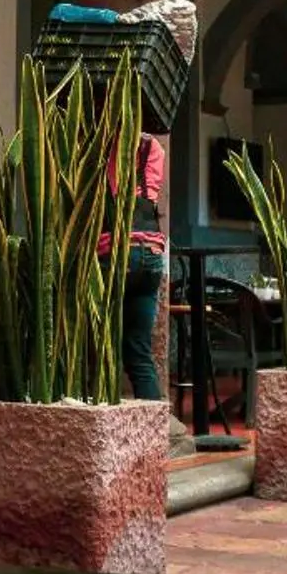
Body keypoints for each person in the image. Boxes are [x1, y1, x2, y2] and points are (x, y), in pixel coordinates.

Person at [119, 130, 170, 400]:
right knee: (139, 350)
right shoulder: (154, 147)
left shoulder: (105, 143)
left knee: (99, 347)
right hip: (151, 254)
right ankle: (156, 428)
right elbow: (149, 195)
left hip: (117, 251)